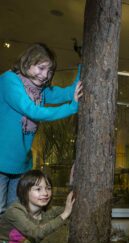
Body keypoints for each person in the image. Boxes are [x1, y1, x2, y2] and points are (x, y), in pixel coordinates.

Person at [0, 43, 83, 214]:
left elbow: (69, 92)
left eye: (50, 70)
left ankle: (13, 242)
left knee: (16, 213)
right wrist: (71, 108)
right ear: (27, 62)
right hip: (1, 162)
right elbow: (32, 110)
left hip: (21, 165)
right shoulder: (9, 81)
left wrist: (84, 63)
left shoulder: (40, 90)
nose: (45, 75)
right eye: (41, 67)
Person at [0, 170, 75, 243]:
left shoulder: (46, 212)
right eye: (38, 189)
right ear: (25, 191)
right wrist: (64, 215)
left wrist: (73, 185)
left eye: (48, 188)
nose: (45, 193)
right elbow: (36, 233)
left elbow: (69, 209)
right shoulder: (14, 211)